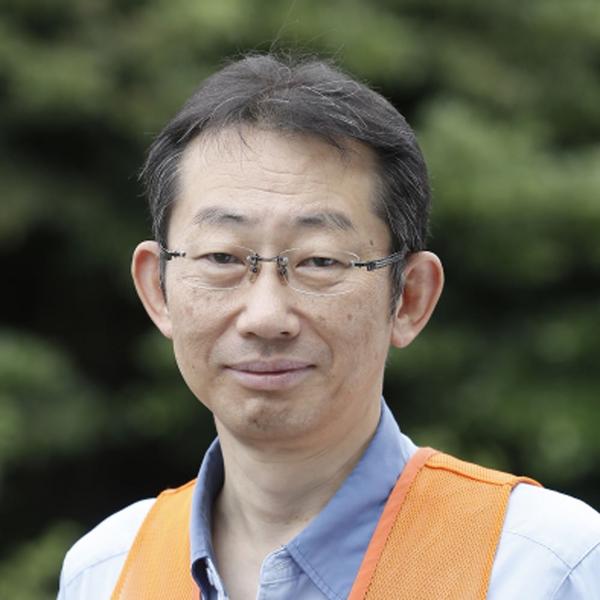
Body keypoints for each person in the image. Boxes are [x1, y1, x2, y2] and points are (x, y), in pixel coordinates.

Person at [57, 53, 600, 600]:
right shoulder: (106, 572)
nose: (266, 317)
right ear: (158, 289)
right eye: (222, 257)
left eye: (320, 261)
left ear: (410, 298)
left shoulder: (546, 567)